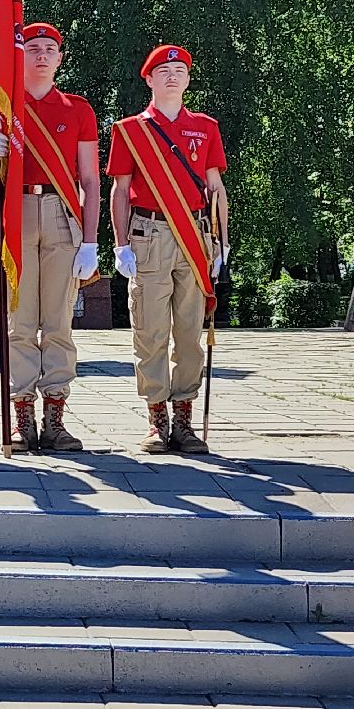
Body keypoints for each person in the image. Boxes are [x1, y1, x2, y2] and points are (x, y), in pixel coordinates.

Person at [0, 23, 101, 451]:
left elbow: (89, 180)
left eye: (50, 49)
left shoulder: (77, 108)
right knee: (20, 323)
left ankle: (56, 420)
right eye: (32, 48)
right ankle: (21, 417)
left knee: (58, 324)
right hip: (17, 212)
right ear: (18, 55)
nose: (41, 56)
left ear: (60, 58)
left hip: (62, 216)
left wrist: (91, 240)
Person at [107, 45, 230, 454]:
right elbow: (120, 189)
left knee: (191, 334)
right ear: (149, 79)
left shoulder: (206, 127)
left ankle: (184, 421)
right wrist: (120, 243)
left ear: (188, 79)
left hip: (195, 235)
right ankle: (157, 420)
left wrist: (223, 243)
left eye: (179, 70)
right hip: (149, 232)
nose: (172, 77)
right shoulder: (129, 130)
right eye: (164, 71)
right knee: (150, 331)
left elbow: (215, 188)